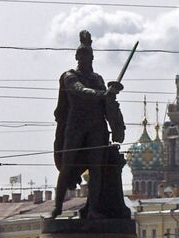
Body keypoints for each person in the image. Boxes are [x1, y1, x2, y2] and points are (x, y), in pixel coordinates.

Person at [52, 30, 125, 219]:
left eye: (90, 56)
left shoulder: (98, 79)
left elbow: (106, 103)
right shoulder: (69, 76)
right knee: (67, 166)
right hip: (75, 125)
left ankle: (92, 210)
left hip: (97, 127)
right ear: (77, 57)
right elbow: (79, 91)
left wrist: (111, 95)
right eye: (83, 56)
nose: (87, 60)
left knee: (96, 169)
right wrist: (103, 94)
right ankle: (57, 207)